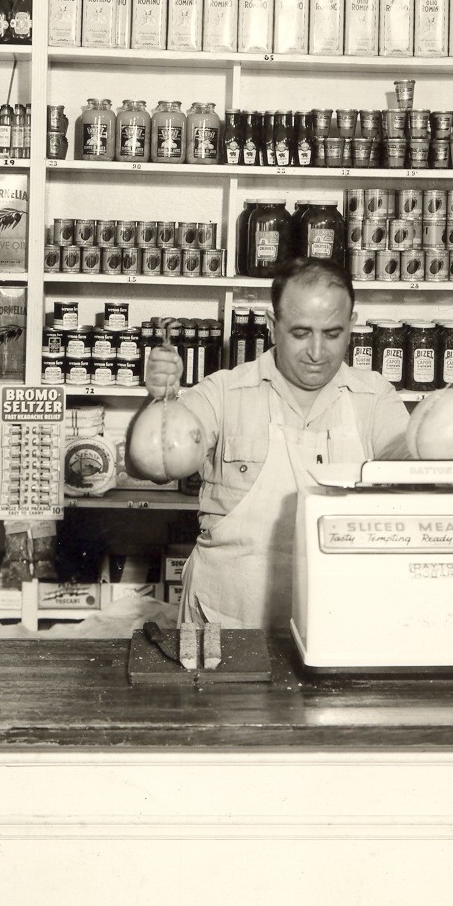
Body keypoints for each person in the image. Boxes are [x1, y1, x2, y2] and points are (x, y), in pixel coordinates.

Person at [125, 259, 410, 631]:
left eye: (333, 333)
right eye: (301, 333)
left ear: (352, 325)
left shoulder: (374, 398)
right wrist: (159, 401)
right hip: (228, 619)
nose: (317, 352)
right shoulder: (224, 392)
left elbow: (410, 479)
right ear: (273, 327)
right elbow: (149, 466)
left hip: (339, 619)